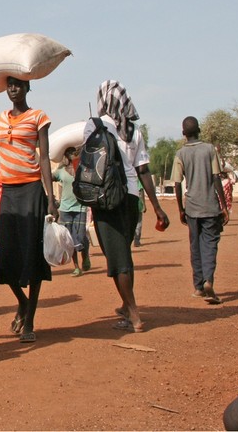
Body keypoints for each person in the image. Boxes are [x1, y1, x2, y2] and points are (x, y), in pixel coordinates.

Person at [83, 80, 169, 333]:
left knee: (118, 259)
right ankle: (125, 304)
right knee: (123, 254)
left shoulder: (95, 125)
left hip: (108, 199)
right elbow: (144, 171)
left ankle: (133, 315)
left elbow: (90, 160)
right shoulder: (134, 131)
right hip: (132, 199)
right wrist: (156, 207)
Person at [0, 77, 58, 343]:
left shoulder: (38, 117)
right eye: (10, 85)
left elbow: (44, 157)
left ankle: (30, 323)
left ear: (27, 88)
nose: (13, 88)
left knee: (33, 255)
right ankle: (22, 303)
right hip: (8, 193)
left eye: (18, 85)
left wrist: (50, 197)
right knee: (7, 255)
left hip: (32, 191)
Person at [172, 116, 229, 305]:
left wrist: (181, 209)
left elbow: (177, 184)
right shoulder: (210, 149)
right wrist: (223, 206)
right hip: (210, 207)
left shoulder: (180, 154)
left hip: (192, 208)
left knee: (195, 247)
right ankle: (209, 281)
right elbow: (216, 179)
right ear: (199, 130)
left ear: (183, 134)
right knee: (210, 245)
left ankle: (198, 287)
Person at [52, 147, 91, 276]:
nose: (72, 155)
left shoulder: (81, 168)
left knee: (79, 237)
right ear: (65, 155)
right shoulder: (61, 171)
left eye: (73, 152)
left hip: (80, 207)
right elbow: (50, 177)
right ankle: (77, 267)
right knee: (70, 240)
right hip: (65, 209)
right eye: (69, 153)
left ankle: (85, 256)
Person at [134, 179, 145, 247]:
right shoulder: (138, 179)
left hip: (129, 205)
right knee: (139, 222)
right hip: (138, 204)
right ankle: (137, 240)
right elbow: (141, 192)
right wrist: (144, 204)